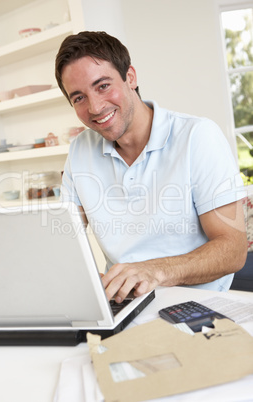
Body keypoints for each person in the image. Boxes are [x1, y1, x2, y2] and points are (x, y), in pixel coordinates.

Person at [55, 31, 247, 303]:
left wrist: (156, 270)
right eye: (79, 98)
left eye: (102, 86)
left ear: (130, 77)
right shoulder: (79, 150)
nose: (95, 107)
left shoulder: (197, 136)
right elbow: (65, 241)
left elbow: (233, 248)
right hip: (124, 304)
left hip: (196, 305)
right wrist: (85, 280)